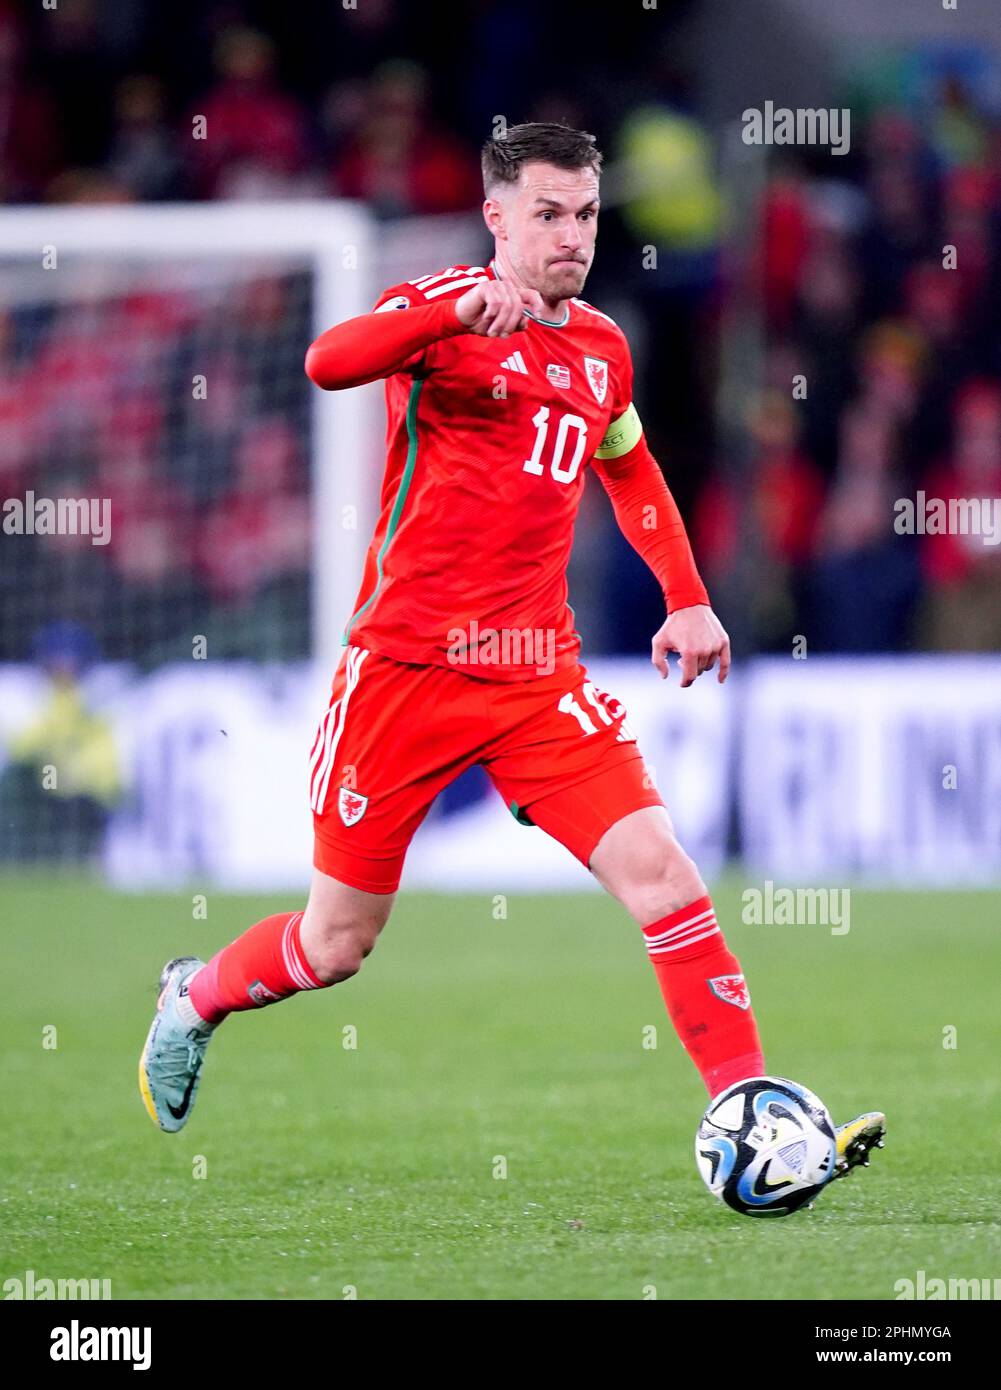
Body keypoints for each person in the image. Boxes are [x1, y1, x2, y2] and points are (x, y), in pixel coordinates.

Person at [139, 122, 883, 1186]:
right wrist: (446, 312)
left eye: (583, 213)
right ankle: (196, 993)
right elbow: (324, 360)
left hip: (538, 674)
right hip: (404, 672)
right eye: (547, 212)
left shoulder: (600, 349)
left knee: (665, 879)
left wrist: (687, 598)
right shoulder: (438, 314)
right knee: (336, 943)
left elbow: (626, 468)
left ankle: (748, 1109)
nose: (571, 234)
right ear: (497, 218)